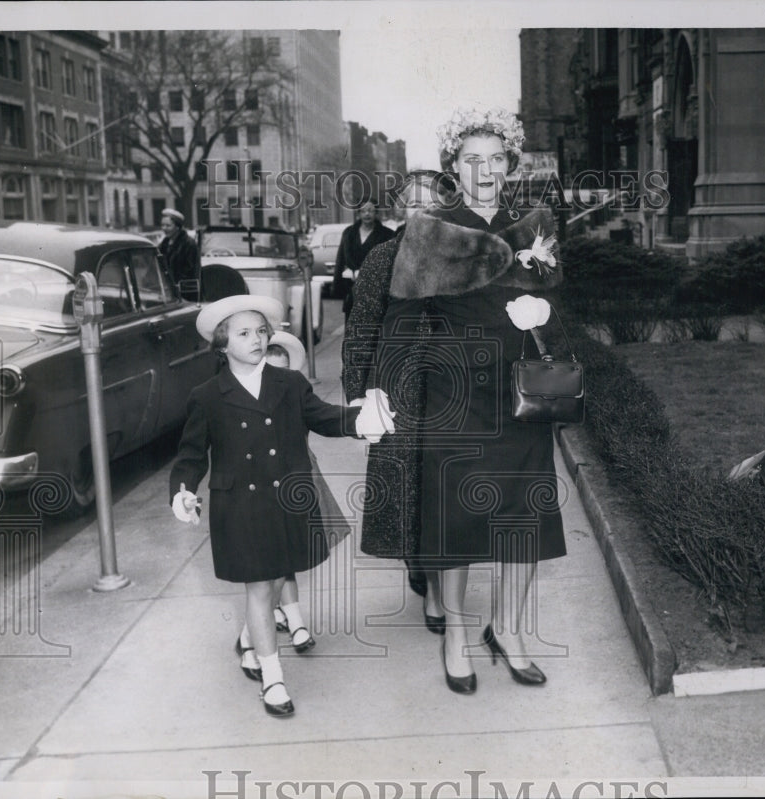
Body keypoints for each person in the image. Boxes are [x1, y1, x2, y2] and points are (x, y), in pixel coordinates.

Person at [369, 107, 568, 694]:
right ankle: (456, 635)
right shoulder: (429, 230)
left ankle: (507, 629)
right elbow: (400, 319)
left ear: (511, 165)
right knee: (453, 520)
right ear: (455, 166)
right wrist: (379, 388)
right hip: (453, 395)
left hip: (522, 396)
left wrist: (545, 319)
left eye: (495, 158)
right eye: (471, 159)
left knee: (523, 519)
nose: (484, 169)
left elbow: (563, 307)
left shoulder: (535, 224)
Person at [169, 296, 391, 717]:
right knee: (260, 586)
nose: (256, 339)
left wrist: (358, 421)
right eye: (243, 333)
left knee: (271, 584)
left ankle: (250, 641)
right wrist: (181, 490)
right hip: (241, 507)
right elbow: (192, 455)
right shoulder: (207, 396)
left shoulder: (289, 384)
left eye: (261, 331)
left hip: (288, 499)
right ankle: (273, 679)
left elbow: (323, 416)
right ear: (221, 345)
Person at [342, 170, 455, 632]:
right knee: (408, 481)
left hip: (452, 384)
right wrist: (355, 396)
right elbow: (361, 328)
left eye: (432, 201)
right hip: (398, 386)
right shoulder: (382, 259)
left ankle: (435, 583)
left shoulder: (460, 257)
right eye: (413, 202)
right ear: (401, 209)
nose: (422, 209)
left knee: (445, 483)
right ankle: (418, 562)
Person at [235, 332, 353, 665]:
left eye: (284, 371)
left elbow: (324, 417)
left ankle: (265, 630)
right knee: (273, 569)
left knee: (286, 563)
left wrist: (360, 419)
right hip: (260, 491)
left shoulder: (294, 393)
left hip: (297, 482)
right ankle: (253, 637)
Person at [333, 199, 396, 319]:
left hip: (376, 293)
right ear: (358, 213)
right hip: (352, 291)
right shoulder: (349, 233)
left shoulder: (388, 235)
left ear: (376, 213)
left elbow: (391, 265)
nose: (367, 214)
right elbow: (340, 259)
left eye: (371, 210)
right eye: (363, 211)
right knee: (352, 330)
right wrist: (337, 287)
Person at [159, 207, 201, 301]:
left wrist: (173, 285)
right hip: (168, 292)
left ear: (177, 227)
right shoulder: (164, 244)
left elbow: (189, 270)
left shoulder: (188, 244)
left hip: (185, 294)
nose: (164, 228)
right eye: (162, 225)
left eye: (168, 225)